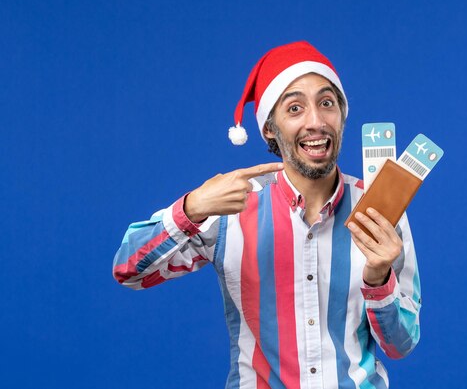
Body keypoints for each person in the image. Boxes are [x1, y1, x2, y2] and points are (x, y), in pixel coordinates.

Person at [113, 41, 422, 388]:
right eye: (294, 108)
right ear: (269, 128)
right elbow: (129, 272)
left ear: (342, 115)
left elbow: (401, 345)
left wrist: (379, 277)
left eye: (326, 103)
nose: (316, 122)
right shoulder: (229, 209)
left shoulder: (380, 209)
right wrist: (192, 208)